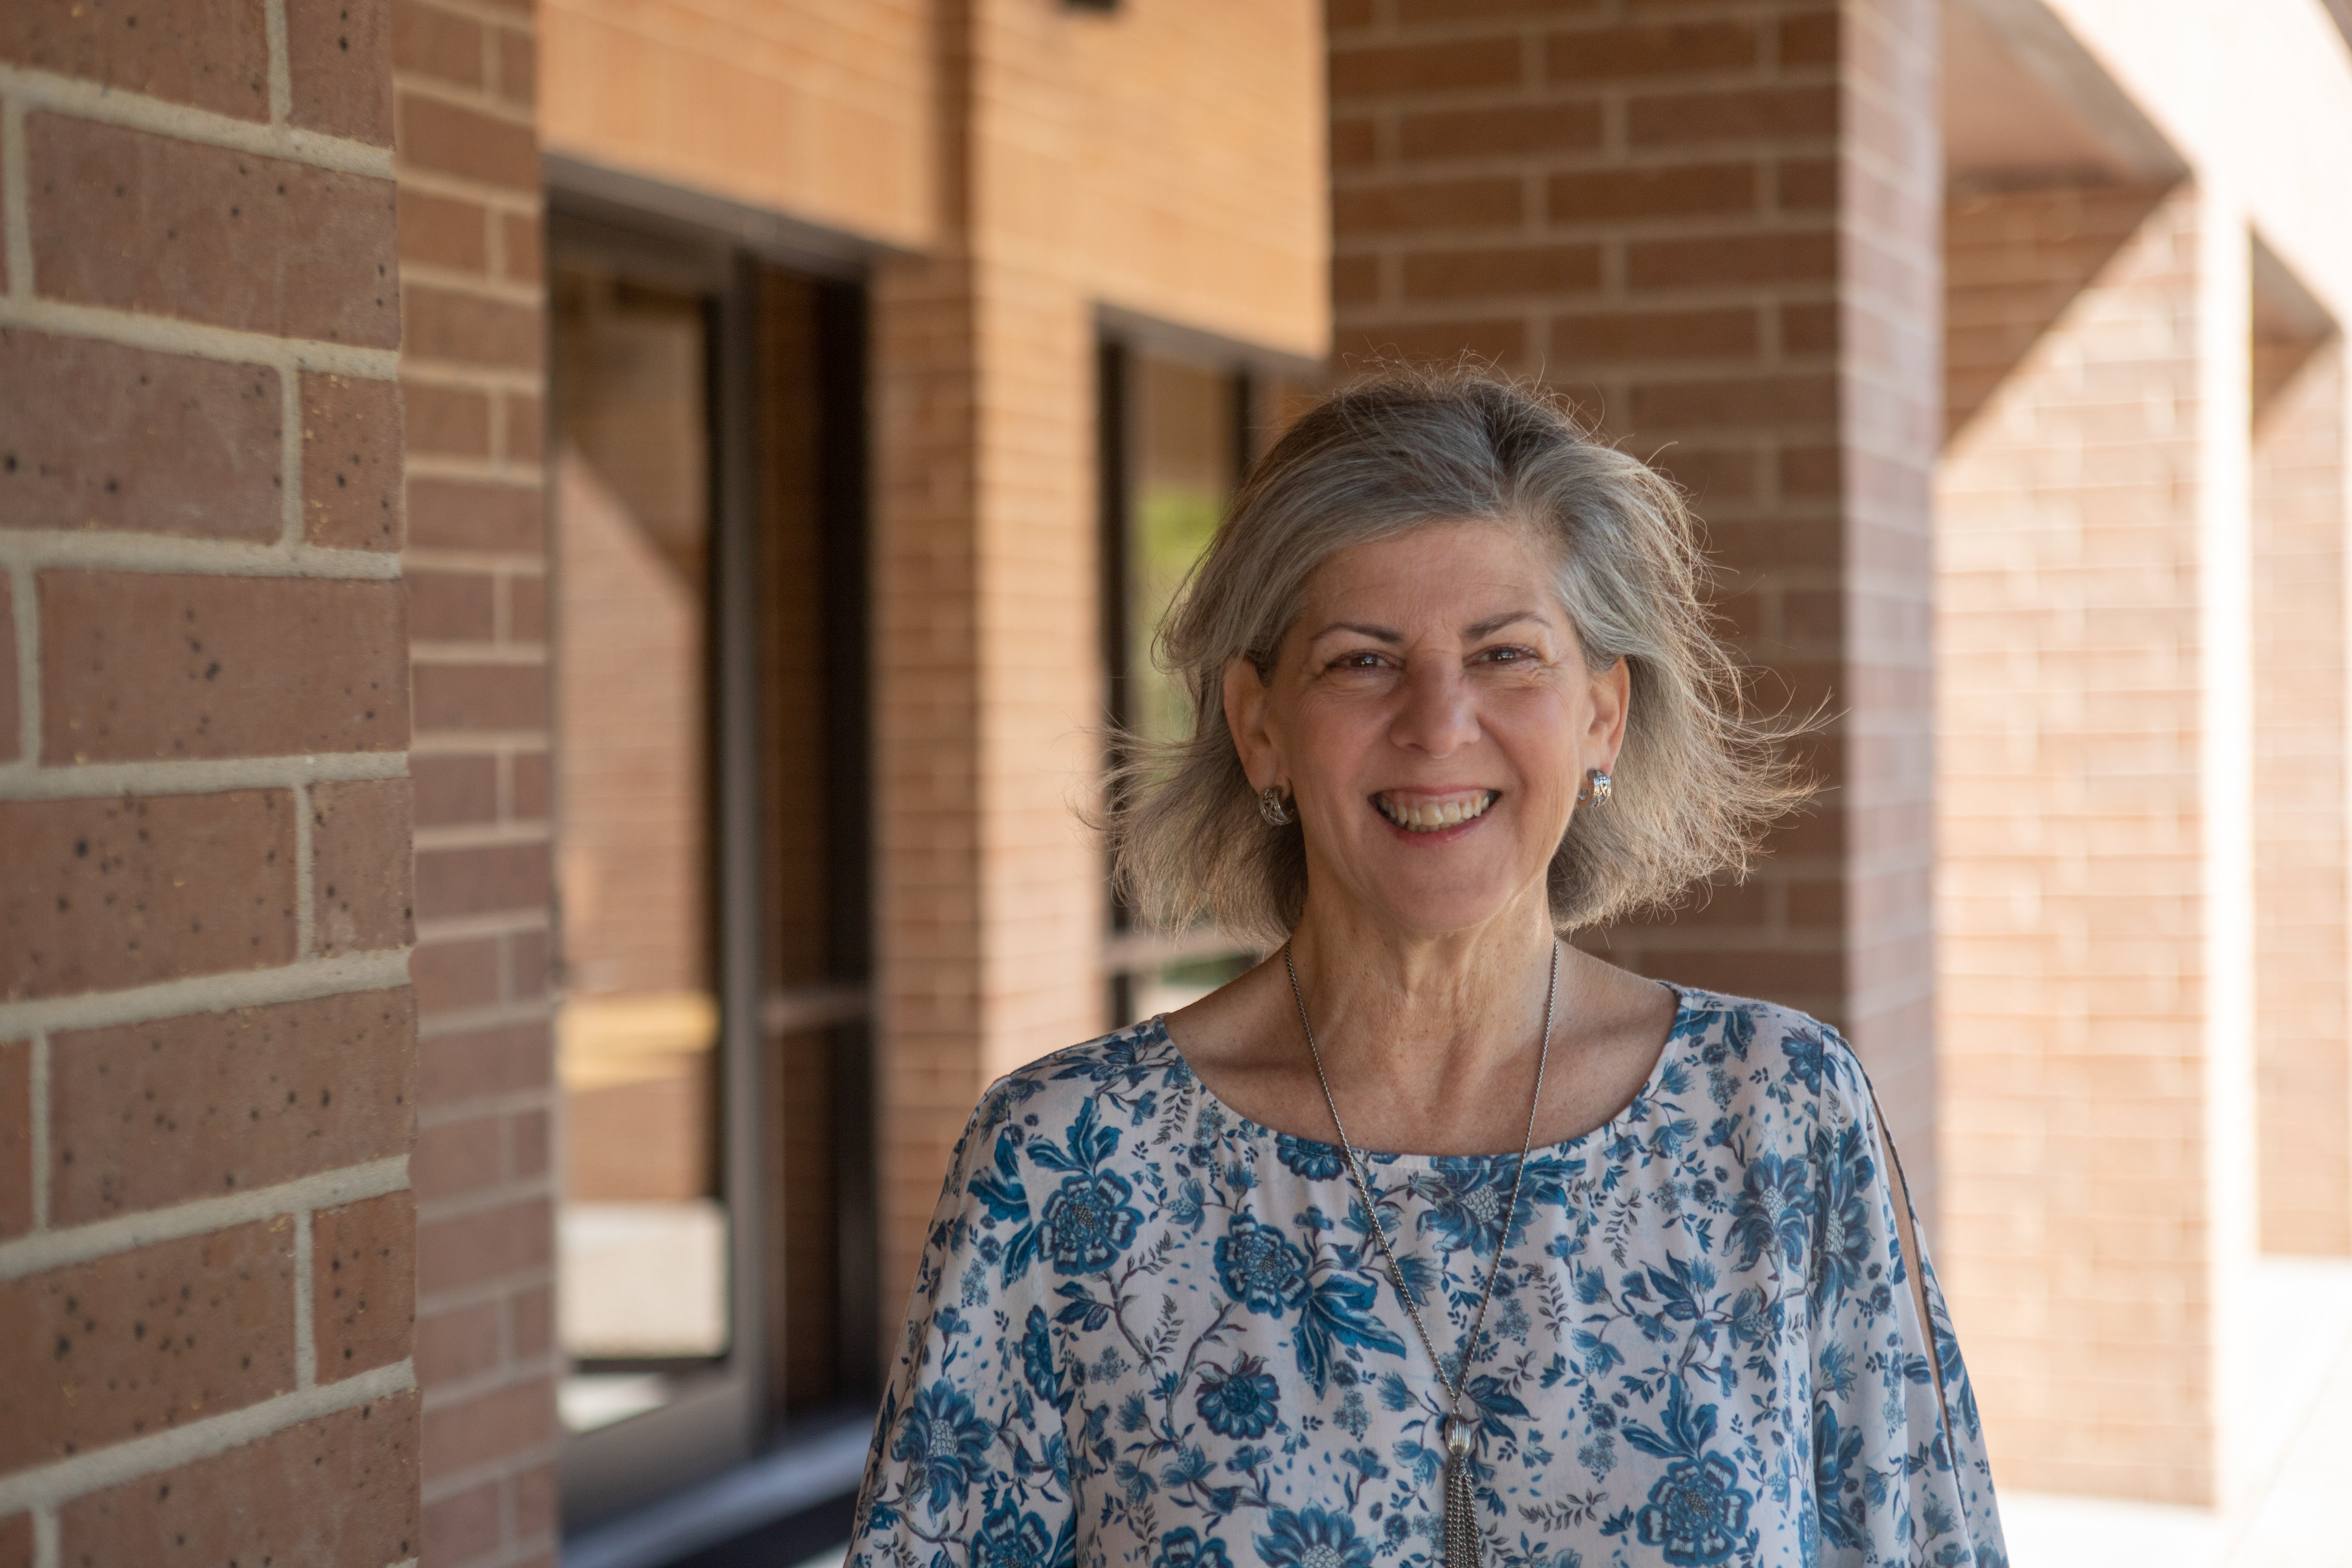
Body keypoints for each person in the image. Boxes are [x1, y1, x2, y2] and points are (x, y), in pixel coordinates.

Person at [845, 370, 2006, 1568]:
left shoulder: (1779, 1119)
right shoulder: (1061, 1166)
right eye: (1361, 661)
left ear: (1603, 715)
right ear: (1259, 729)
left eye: (1506, 654)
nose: (1439, 723)